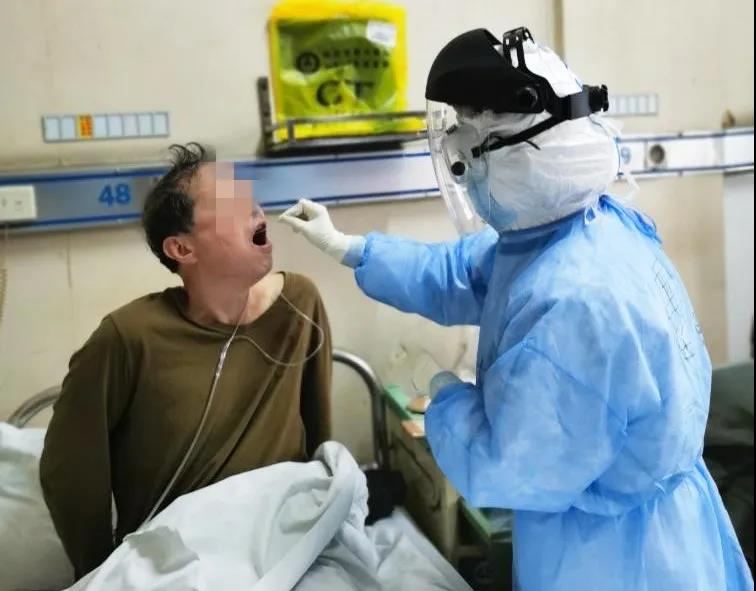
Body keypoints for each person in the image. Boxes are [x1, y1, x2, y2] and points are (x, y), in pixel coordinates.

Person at [279, 27, 753, 591]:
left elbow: (504, 466)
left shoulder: (575, 303)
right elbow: (457, 273)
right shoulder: (573, 231)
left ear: (517, 161)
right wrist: (353, 248)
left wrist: (442, 394)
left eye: (468, 159)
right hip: (632, 522)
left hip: (619, 560)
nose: (464, 175)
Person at [40, 143, 332, 580]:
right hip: (174, 563)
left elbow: (320, 441)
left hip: (284, 543)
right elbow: (69, 471)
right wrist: (101, 571)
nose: (254, 209)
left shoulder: (298, 304)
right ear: (182, 248)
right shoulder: (129, 337)